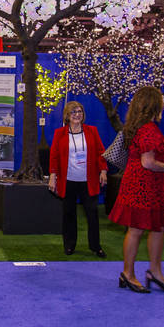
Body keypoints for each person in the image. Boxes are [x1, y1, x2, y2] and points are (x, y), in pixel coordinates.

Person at [108, 86, 164, 294]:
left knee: (157, 227)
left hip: (144, 184)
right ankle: (129, 274)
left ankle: (153, 272)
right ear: (154, 105)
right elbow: (148, 162)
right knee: (138, 229)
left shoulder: (137, 127)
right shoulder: (149, 129)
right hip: (143, 185)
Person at [47, 101, 108, 257]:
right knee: (69, 214)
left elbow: (101, 152)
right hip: (68, 180)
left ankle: (96, 246)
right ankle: (69, 245)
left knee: (92, 214)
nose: (77, 114)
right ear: (67, 115)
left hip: (88, 180)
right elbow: (54, 156)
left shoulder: (92, 131)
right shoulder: (59, 133)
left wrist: (103, 171)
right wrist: (52, 177)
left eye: (79, 111)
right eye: (73, 112)